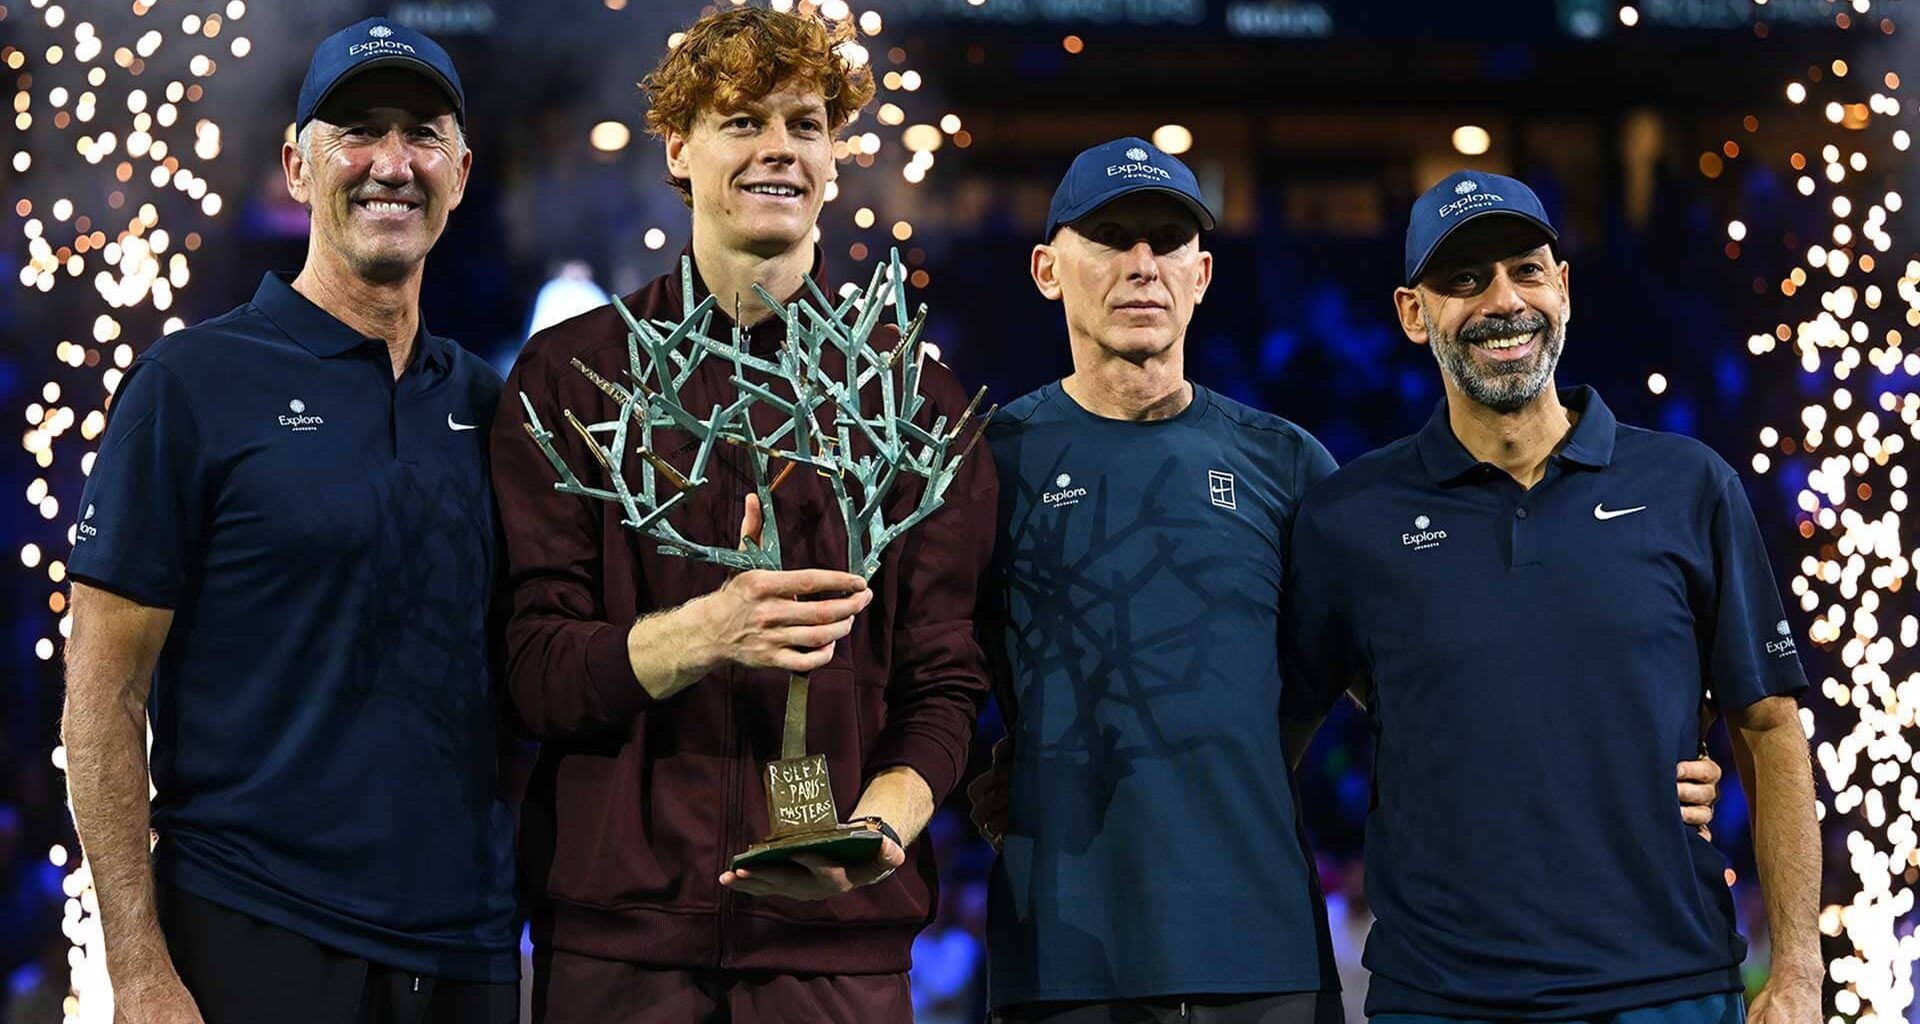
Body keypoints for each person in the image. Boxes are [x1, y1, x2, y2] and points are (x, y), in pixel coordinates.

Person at [968, 143, 1728, 1024]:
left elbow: (1422, 678)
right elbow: (937, 670)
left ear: (1204, 273)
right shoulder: (988, 464)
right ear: (1046, 269)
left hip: (1265, 951)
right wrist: (994, 770)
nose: (1142, 264)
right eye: (1109, 237)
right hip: (1063, 953)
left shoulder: (1289, 466)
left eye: (1168, 240)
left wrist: (1641, 760)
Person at [490, 7, 995, 1022]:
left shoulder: (913, 402)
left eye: (804, 124)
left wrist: (874, 835)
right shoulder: (573, 379)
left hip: (836, 958)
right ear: (678, 148)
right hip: (621, 951)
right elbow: (534, 671)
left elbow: (944, 680)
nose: (778, 148)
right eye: (741, 121)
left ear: (835, 159)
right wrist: (703, 633)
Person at [62, 18, 518, 1024]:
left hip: (467, 948)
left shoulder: (493, 409)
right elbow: (101, 694)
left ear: (461, 170)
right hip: (254, 933)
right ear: (296, 166)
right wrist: (136, 968)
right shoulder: (192, 384)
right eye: (357, 130)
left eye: (423, 134)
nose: (391, 163)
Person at [1285, 171, 1820, 1024]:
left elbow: (1770, 727)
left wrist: (1797, 971)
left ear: (1563, 289)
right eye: (1463, 280)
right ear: (1412, 313)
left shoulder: (1689, 486)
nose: (1503, 300)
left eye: (1526, 271)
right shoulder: (1350, 516)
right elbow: (1276, 736)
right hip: (1439, 1001)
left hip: (1668, 991)